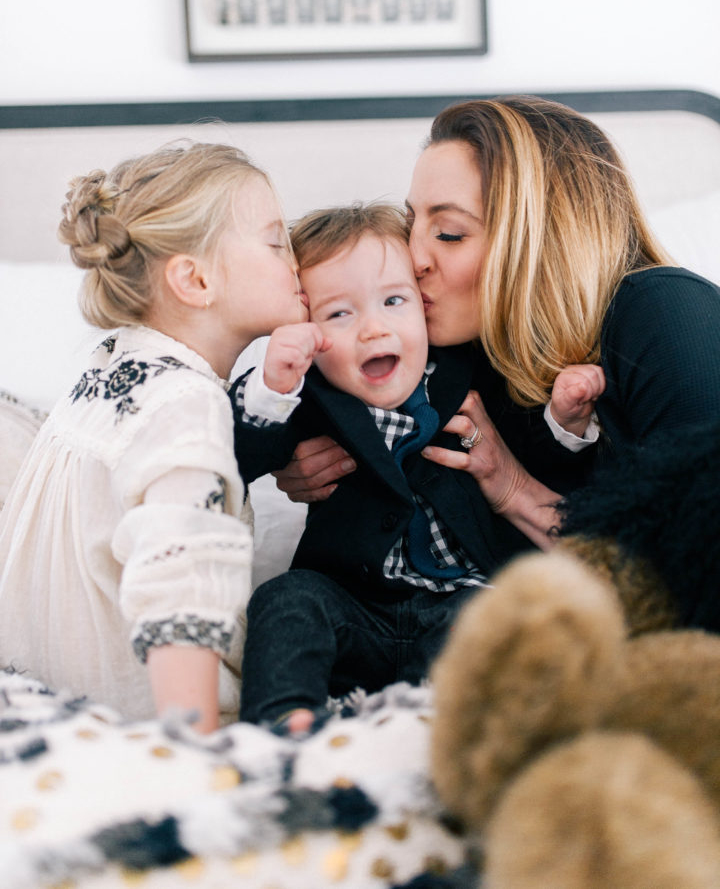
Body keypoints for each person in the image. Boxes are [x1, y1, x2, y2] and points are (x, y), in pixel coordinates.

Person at [270, 96, 720, 554]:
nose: (414, 258)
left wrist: (513, 490)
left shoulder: (669, 313)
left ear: (543, 240)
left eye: (448, 233)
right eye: (411, 226)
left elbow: (696, 566)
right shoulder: (450, 358)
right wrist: (296, 454)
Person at [232, 202, 602, 731]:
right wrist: (268, 387)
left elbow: (532, 452)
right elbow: (239, 456)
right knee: (286, 600)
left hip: (461, 600)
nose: (373, 329)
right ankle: (281, 730)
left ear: (423, 305)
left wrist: (565, 418)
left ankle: (471, 735)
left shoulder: (471, 371)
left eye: (394, 301)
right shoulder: (307, 394)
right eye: (340, 313)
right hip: (353, 606)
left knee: (514, 627)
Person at [0, 142, 306, 732]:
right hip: (143, 726)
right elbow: (180, 590)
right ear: (193, 279)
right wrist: (195, 749)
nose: (296, 261)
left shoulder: (108, 367)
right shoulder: (185, 405)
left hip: (46, 705)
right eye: (276, 242)